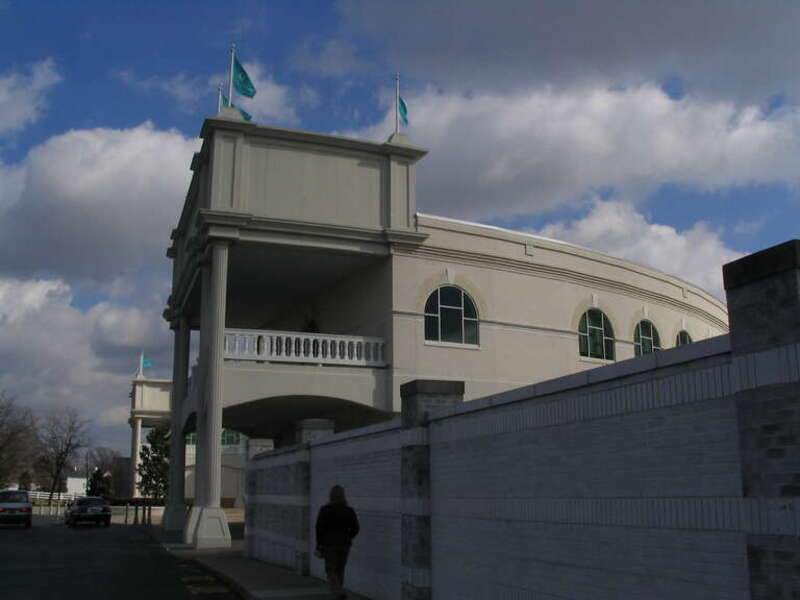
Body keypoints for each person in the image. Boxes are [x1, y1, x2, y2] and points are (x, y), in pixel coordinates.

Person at [315, 485, 360, 599]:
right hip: (345, 544)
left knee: (330, 570)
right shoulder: (349, 510)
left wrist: (319, 544)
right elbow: (356, 528)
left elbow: (319, 528)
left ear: (331, 495)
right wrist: (349, 537)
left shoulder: (325, 510)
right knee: (340, 569)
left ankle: (339, 592)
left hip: (329, 544)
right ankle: (338, 594)